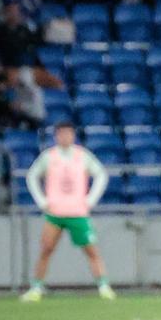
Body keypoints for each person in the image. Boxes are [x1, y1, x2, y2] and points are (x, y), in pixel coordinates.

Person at [20, 122, 116, 302]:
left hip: (78, 212)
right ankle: (36, 288)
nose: (65, 137)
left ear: (73, 135)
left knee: (92, 251)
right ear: (56, 136)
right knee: (46, 250)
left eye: (68, 133)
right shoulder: (49, 157)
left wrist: (91, 199)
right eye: (62, 134)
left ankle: (104, 286)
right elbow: (32, 175)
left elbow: (101, 174)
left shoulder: (83, 156)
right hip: (55, 213)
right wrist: (41, 201)